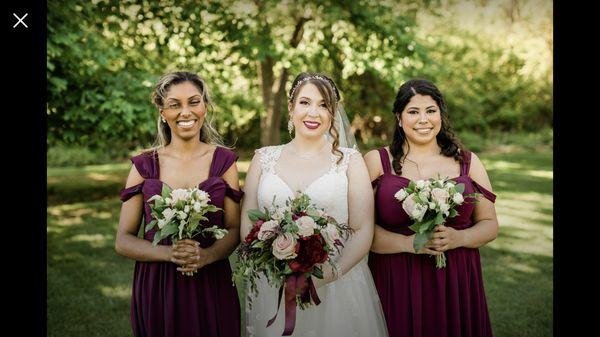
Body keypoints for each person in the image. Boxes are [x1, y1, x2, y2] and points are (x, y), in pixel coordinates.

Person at [240, 72, 388, 337]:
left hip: (338, 284)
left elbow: (362, 229)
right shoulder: (262, 160)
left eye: (323, 105)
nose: (313, 112)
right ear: (291, 107)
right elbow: (247, 227)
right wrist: (279, 269)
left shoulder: (350, 162)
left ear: (333, 113)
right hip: (275, 283)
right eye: (305, 102)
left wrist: (326, 275)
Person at [365, 78, 499, 337]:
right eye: (413, 112)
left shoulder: (467, 161)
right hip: (395, 279)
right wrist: (412, 243)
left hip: (456, 279)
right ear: (399, 117)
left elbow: (490, 225)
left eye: (430, 111)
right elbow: (362, 231)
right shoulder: (376, 161)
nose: (423, 120)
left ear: (440, 114)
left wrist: (460, 237)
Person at [115, 71, 243, 337]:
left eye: (194, 102)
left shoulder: (224, 162)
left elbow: (234, 230)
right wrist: (169, 254)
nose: (186, 112)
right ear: (163, 112)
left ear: (205, 107)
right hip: (158, 286)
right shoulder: (144, 165)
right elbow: (123, 240)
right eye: (175, 104)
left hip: (211, 282)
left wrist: (206, 256)